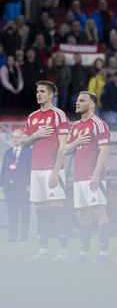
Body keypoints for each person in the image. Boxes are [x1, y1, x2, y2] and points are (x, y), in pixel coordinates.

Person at [20, 81, 71, 261]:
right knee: (40, 208)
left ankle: (63, 251)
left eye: (42, 91)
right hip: (36, 170)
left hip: (52, 168)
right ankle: (43, 251)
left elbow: (64, 146)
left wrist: (56, 171)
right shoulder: (32, 117)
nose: (38, 94)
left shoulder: (59, 115)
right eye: (37, 91)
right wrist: (35, 135)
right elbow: (23, 143)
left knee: (57, 207)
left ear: (51, 95)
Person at [58, 92, 111, 263]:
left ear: (92, 104)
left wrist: (96, 174)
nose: (77, 103)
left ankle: (103, 253)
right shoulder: (75, 127)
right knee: (82, 214)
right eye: (77, 100)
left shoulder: (99, 124)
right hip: (78, 178)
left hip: (93, 176)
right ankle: (84, 254)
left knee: (98, 211)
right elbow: (65, 150)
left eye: (82, 101)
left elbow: (105, 151)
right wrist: (76, 141)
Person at [0, 129, 32, 242]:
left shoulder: (28, 152)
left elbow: (30, 169)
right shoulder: (8, 152)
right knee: (12, 213)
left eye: (17, 137)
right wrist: (1, 184)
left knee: (24, 213)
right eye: (13, 137)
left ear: (22, 138)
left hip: (23, 188)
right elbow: (4, 168)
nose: (15, 139)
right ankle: (12, 236)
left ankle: (23, 236)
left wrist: (29, 184)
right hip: (10, 188)